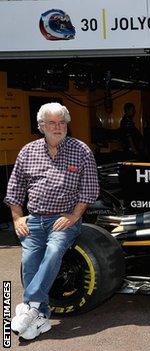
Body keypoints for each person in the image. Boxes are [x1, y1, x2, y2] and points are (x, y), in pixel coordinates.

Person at [5, 102, 99, 340]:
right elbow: (14, 189)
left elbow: (89, 190)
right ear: (41, 126)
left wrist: (74, 215)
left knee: (54, 251)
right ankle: (41, 316)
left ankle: (29, 305)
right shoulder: (28, 151)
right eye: (52, 123)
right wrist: (17, 218)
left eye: (62, 123)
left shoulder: (81, 150)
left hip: (64, 220)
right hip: (34, 220)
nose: (58, 127)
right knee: (29, 261)